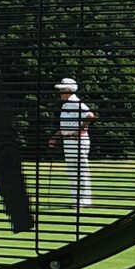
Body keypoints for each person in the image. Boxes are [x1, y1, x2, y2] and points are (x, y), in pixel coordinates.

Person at [56, 77, 95, 211]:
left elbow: (90, 116)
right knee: (72, 171)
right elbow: (66, 125)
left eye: (62, 91)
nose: (60, 93)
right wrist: (54, 137)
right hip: (68, 140)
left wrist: (79, 129)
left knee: (80, 170)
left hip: (78, 140)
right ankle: (77, 200)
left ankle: (84, 200)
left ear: (68, 91)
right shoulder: (66, 104)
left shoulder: (76, 103)